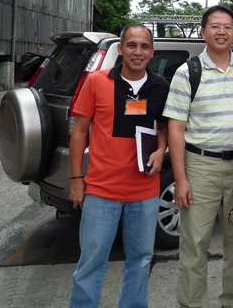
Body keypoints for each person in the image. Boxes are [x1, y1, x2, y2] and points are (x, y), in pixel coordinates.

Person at [163, 5, 233, 308]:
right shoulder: (188, 72)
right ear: (203, 31)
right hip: (200, 166)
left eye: (228, 26)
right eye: (215, 26)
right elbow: (175, 128)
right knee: (194, 243)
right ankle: (192, 303)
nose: (222, 32)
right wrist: (180, 179)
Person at [68, 24, 170, 308]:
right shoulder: (97, 81)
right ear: (121, 48)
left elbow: (163, 126)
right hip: (101, 191)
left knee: (141, 260)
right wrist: (76, 180)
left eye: (144, 46)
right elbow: (79, 132)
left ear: (152, 52)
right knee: (91, 262)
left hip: (145, 191)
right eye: (132, 45)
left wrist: (161, 149)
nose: (138, 52)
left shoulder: (160, 86)